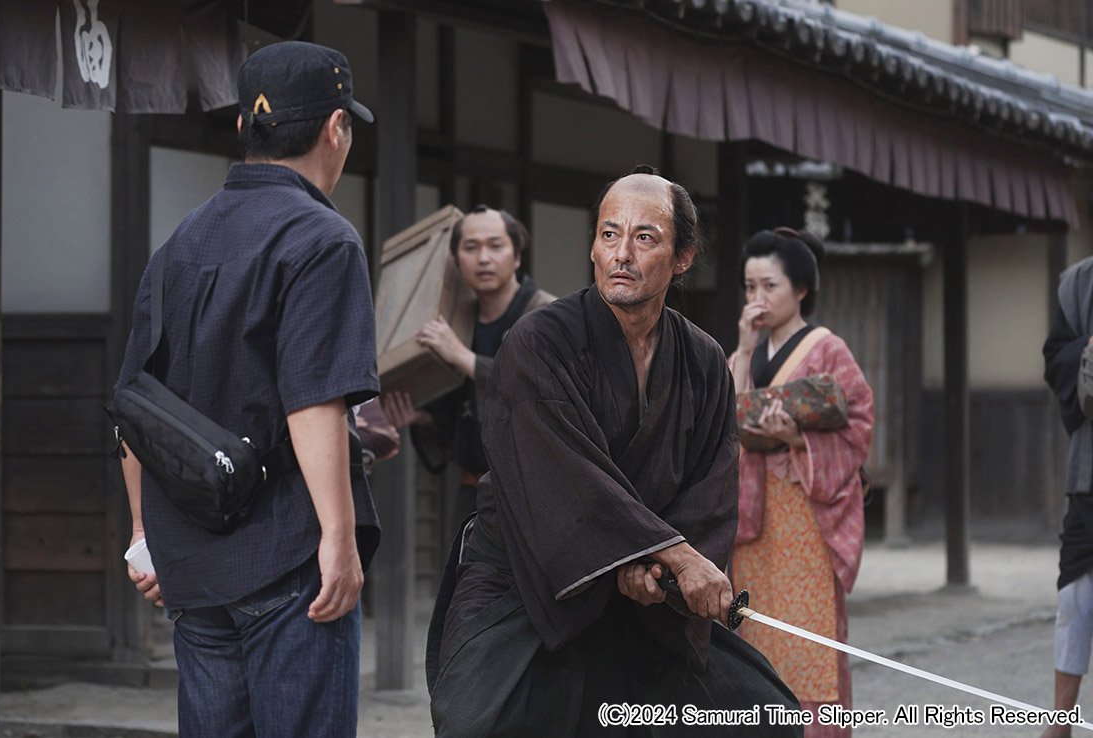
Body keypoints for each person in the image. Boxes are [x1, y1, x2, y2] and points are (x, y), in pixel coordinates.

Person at [426, 167, 801, 736]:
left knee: (762, 715)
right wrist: (663, 554)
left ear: (682, 258)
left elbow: (711, 485)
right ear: (593, 248)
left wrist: (660, 568)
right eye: (608, 234)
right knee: (484, 723)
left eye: (645, 237)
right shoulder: (536, 343)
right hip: (528, 582)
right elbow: (560, 476)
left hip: (648, 595)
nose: (622, 253)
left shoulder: (701, 361)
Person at [115, 41, 380, 737]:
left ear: (242, 129)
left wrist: (144, 535)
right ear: (335, 129)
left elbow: (133, 408)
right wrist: (340, 537)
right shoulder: (323, 238)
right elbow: (312, 402)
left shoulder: (179, 244)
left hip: (192, 565)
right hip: (284, 554)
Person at [727, 228, 874, 738]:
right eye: (749, 287)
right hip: (750, 519)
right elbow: (726, 415)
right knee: (753, 637)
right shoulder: (746, 350)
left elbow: (859, 422)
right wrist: (743, 350)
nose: (757, 299)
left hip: (803, 517)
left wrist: (797, 438)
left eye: (769, 286)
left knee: (809, 644)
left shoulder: (826, 347)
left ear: (801, 289)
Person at [382, 205, 555, 535]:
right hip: (472, 492)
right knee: (463, 584)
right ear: (457, 260)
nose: (484, 258)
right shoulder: (459, 321)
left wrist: (464, 358)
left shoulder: (545, 315)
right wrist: (422, 418)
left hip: (534, 495)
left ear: (516, 257)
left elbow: (542, 388)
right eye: (471, 248)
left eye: (495, 245)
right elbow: (461, 418)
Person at [1042, 255, 1093, 738]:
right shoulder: (1079, 282)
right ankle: (1061, 721)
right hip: (1090, 471)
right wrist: (1088, 353)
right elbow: (1055, 354)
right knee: (1075, 593)